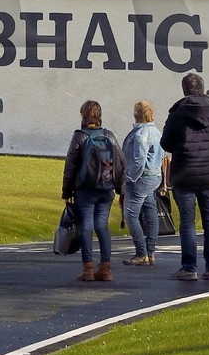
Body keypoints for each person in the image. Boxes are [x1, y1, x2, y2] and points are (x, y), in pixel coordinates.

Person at [160, 73, 209, 282]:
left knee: (187, 223)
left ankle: (189, 268)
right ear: (202, 88)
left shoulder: (177, 113)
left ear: (184, 90)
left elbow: (165, 143)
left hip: (184, 175)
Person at [61, 99, 125, 282]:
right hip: (106, 189)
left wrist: (67, 191)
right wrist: (121, 188)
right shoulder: (109, 135)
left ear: (84, 115)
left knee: (86, 226)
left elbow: (70, 166)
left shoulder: (80, 136)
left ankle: (88, 268)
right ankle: (106, 268)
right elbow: (121, 162)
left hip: (85, 190)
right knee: (102, 226)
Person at [120, 100, 165, 266]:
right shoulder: (156, 132)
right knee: (151, 213)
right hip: (154, 177)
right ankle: (150, 251)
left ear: (136, 114)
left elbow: (139, 160)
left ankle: (141, 253)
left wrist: (128, 177)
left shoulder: (141, 134)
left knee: (131, 215)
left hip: (140, 178)